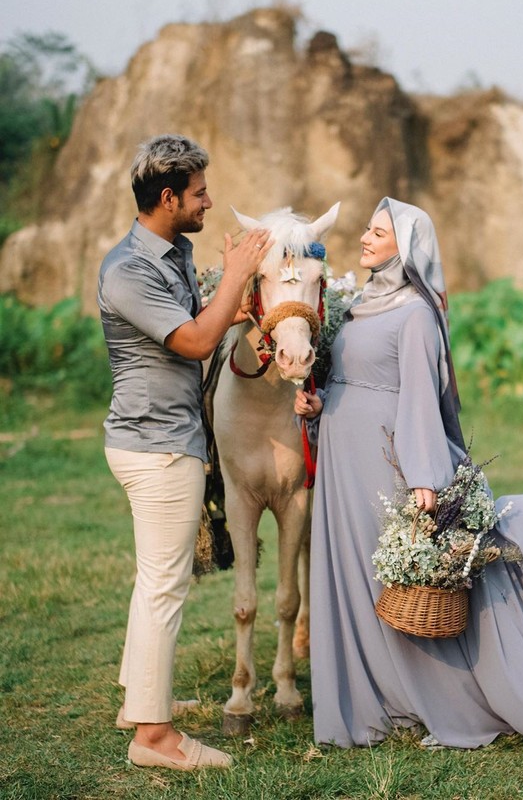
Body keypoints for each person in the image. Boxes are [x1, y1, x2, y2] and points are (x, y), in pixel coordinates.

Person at [295, 198, 523, 772]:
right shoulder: (357, 305)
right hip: (342, 461)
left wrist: (425, 481)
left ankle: (446, 704)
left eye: (378, 232)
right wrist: (314, 405)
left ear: (405, 248)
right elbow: (346, 380)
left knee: (397, 586)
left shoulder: (414, 313)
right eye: (366, 228)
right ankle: (378, 701)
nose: (363, 237)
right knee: (356, 580)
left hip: (387, 464)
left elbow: (418, 400)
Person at [98, 133, 272, 770]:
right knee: (166, 588)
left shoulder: (171, 251)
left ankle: (134, 702)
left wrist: (255, 300)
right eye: (199, 192)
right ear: (168, 197)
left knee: (154, 580)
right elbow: (196, 341)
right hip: (157, 446)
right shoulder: (127, 271)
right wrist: (234, 275)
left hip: (165, 439)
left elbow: (206, 317)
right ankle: (153, 737)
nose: (209, 200)